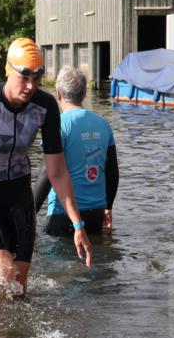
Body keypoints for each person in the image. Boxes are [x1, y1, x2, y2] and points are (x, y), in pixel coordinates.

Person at [0, 38, 92, 293]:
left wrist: (78, 224)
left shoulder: (46, 106)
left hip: (19, 192)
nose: (31, 86)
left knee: (18, 283)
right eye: (24, 77)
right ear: (9, 71)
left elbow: (58, 172)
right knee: (1, 272)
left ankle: (14, 332)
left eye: (38, 78)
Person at [34, 67, 119, 236]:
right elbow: (113, 172)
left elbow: (47, 172)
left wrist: (30, 213)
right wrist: (108, 207)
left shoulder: (58, 125)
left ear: (58, 94)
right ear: (84, 94)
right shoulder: (103, 125)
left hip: (63, 212)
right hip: (96, 213)